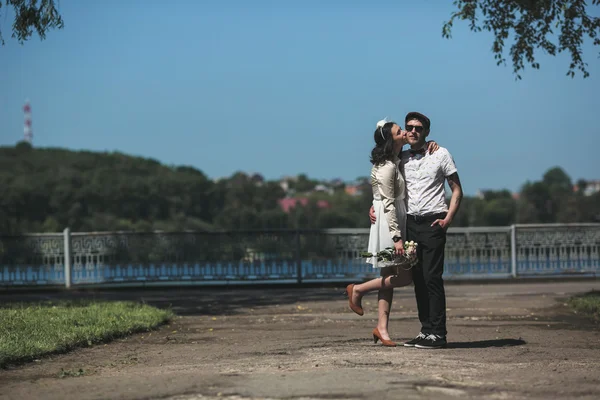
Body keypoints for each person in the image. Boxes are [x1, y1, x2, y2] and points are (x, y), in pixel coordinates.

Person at [368, 112, 463, 349]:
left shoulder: (440, 153)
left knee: (432, 277)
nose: (412, 131)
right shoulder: (402, 158)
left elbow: (457, 189)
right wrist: (374, 204)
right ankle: (426, 330)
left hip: (434, 221)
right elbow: (386, 185)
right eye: (409, 127)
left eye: (418, 128)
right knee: (418, 279)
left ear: (427, 132)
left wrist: (448, 219)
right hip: (410, 223)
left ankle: (438, 333)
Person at [346, 118, 439, 347]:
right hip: (391, 223)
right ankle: (357, 289)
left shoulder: (395, 159)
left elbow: (382, 194)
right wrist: (397, 237)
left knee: (387, 278)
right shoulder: (388, 166)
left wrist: (431, 143)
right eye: (401, 132)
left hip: (393, 217)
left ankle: (382, 329)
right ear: (392, 140)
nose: (406, 132)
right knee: (404, 277)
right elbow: (387, 202)